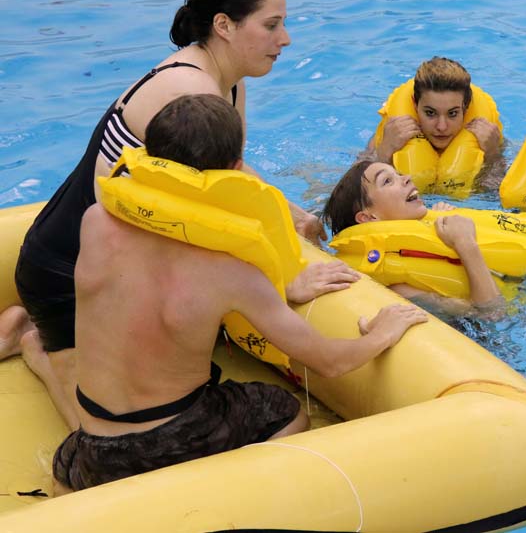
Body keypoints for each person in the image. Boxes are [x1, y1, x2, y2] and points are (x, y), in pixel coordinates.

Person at [21, 94, 427, 493]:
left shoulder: (96, 221)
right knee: (284, 412)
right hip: (172, 440)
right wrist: (381, 332)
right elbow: (329, 362)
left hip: (93, 450)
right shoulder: (230, 270)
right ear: (234, 171)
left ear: (151, 157)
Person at [0, 0, 328, 366]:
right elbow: (216, 205)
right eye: (272, 24)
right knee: (115, 418)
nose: (286, 38)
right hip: (69, 273)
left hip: (108, 260)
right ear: (224, 25)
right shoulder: (188, 88)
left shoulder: (228, 80)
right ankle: (35, 347)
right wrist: (283, 276)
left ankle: (24, 329)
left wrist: (296, 218)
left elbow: (231, 176)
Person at [322, 160, 502, 310]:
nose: (406, 178)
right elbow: (490, 313)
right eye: (387, 181)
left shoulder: (433, 222)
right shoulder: (400, 289)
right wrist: (465, 243)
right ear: (369, 217)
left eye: (398, 174)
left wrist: (438, 219)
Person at [369, 56, 502, 166]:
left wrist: (493, 157)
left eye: (452, 114)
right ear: (415, 105)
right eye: (430, 113)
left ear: (465, 109)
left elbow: (498, 195)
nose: (441, 127)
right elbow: (353, 192)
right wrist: (384, 155)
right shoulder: (389, 138)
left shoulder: (488, 140)